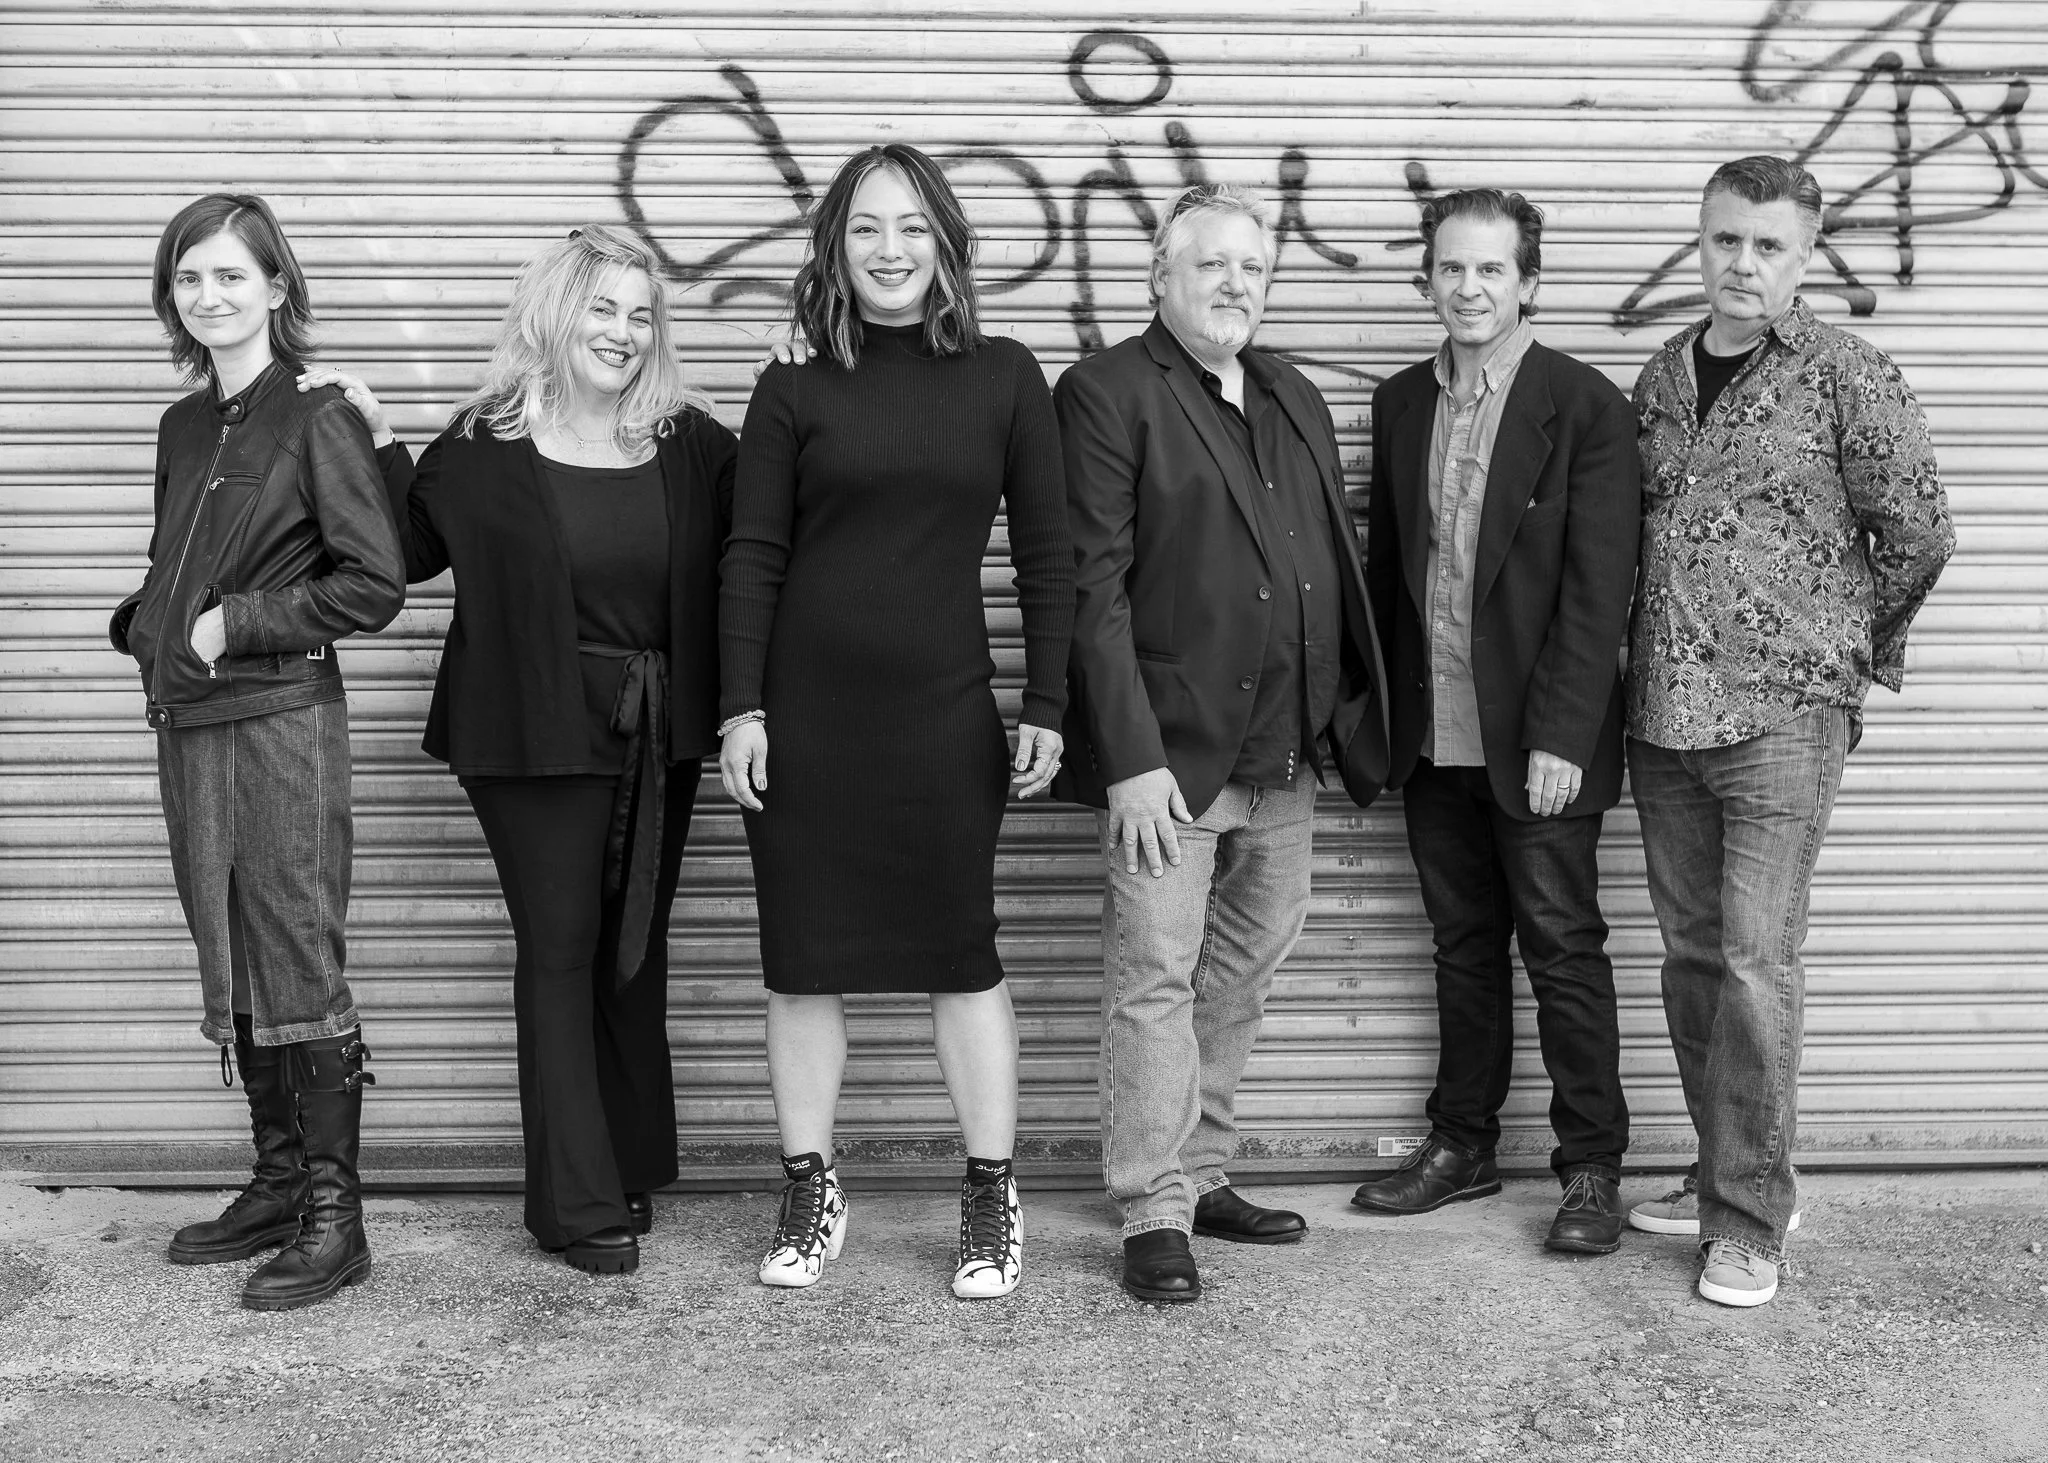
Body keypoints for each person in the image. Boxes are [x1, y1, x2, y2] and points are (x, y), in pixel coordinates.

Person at [305, 224, 736, 1275]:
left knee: (633, 942)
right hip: (529, 725)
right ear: (555, 313)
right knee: (561, 944)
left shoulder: (689, 441)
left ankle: (622, 1160)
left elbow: (770, 528)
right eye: (602, 308)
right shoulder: (484, 440)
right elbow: (406, 553)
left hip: (656, 724)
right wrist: (377, 442)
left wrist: (811, 384)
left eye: (641, 314)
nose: (623, 332)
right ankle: (572, 1203)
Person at [718, 144, 1074, 1301]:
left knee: (960, 956)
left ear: (945, 243)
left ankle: (990, 1192)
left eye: (912, 227)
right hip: (806, 721)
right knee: (800, 962)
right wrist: (739, 706)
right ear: (834, 245)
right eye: (865, 227)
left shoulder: (1004, 375)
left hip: (940, 716)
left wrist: (1048, 701)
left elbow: (1048, 556)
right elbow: (751, 553)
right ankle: (810, 1185)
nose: (889, 249)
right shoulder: (792, 384)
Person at [1623, 156, 1953, 1307]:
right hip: (1661, 719)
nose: (1741, 263)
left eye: (1766, 245)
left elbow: (1916, 532)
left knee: (1755, 963)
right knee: (1691, 962)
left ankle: (1749, 1221)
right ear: (1699, 240)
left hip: (1781, 718)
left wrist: (1847, 660)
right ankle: (1724, 1167)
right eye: (1724, 239)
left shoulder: (1845, 373)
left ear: (1803, 255)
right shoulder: (1660, 377)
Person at [1053, 183, 1390, 1304]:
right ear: (1160, 277)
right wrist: (1128, 756)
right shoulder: (1106, 392)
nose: (1235, 284)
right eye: (1211, 264)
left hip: (1285, 753)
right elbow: (1091, 587)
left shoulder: (1291, 389)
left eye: (1253, 266)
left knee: (1240, 975)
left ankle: (1201, 1174)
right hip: (1171, 758)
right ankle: (1151, 1204)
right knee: (1153, 978)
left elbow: (1317, 554)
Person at [111, 193, 404, 1310]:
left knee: (295, 949)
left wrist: (234, 623)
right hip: (190, 721)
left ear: (277, 287)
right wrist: (147, 619)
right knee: (230, 948)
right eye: (189, 277)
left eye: (231, 274)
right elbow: (175, 559)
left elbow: (372, 582)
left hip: (281, 723)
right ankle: (279, 1183)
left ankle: (338, 1217)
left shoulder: (317, 414)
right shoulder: (182, 426)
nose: (209, 295)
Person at [1349, 189, 1642, 1254]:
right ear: (1425, 278)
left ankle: (1590, 1167)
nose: (1468, 288)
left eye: (1490, 269)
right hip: (1435, 737)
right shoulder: (1399, 402)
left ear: (1528, 281)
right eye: (1450, 268)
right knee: (1462, 947)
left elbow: (1598, 589)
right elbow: (1390, 573)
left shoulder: (1584, 404)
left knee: (1562, 948)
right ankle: (1462, 1144)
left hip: (1538, 741)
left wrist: (1562, 733)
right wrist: (1372, 718)